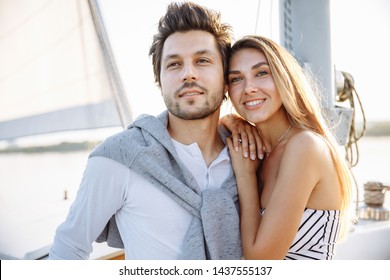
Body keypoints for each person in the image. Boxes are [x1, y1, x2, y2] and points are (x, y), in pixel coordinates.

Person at [49, 2, 246, 260]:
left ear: (225, 78)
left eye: (202, 60)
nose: (189, 74)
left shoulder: (249, 152)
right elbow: (70, 248)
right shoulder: (118, 157)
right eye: (174, 64)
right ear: (159, 81)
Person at [225, 35, 352, 260]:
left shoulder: (306, 147)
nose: (248, 88)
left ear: (285, 78)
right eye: (236, 79)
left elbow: (260, 261)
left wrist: (246, 176)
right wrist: (228, 120)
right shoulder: (262, 148)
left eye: (261, 73)